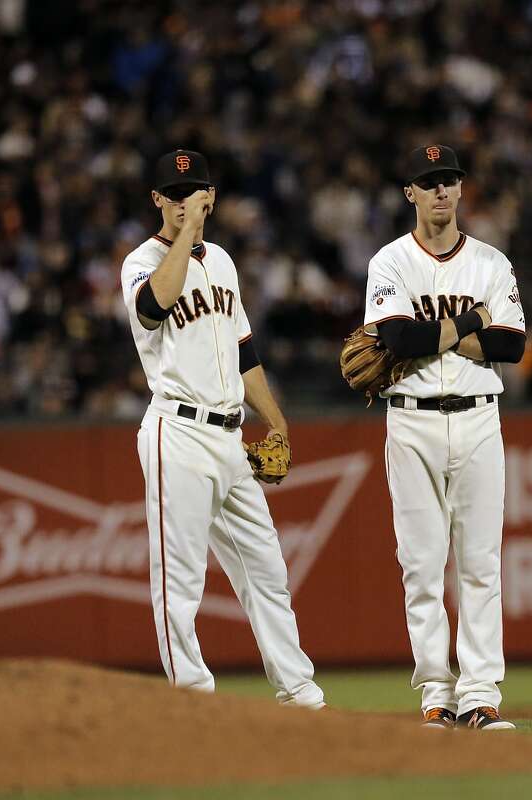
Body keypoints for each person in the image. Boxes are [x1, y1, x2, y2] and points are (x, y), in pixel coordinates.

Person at [119, 149, 324, 707]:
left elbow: (244, 349)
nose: (192, 199)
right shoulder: (140, 261)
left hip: (231, 437)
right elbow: (154, 307)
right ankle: (192, 698)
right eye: (179, 192)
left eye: (199, 189)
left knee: (267, 570)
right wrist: (185, 232)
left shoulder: (224, 262)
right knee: (180, 578)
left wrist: (275, 419)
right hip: (177, 431)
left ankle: (300, 694)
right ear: (159, 200)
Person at [363, 145, 526, 730]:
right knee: (422, 564)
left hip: (481, 415)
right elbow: (397, 340)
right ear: (410, 192)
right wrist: (473, 322)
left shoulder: (491, 261)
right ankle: (437, 691)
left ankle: (481, 696)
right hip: (410, 418)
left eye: (449, 181)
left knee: (481, 562)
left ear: (461, 190)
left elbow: (511, 348)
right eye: (428, 182)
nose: (440, 191)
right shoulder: (389, 262)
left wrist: (438, 333)